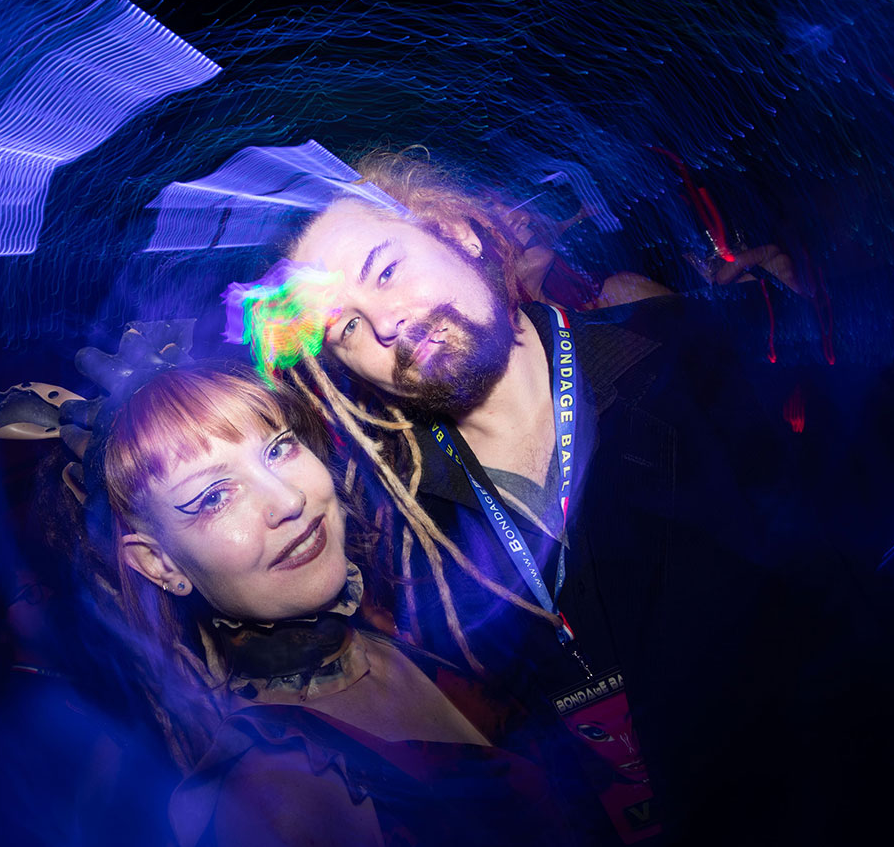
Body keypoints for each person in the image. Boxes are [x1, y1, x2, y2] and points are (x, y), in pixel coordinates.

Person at [227, 149, 894, 845]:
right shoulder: (405, 527)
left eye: (386, 270)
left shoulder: (695, 358)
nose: (386, 325)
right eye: (346, 327)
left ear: (457, 234)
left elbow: (865, 580)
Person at [94, 363, 590, 847]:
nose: (288, 500)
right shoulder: (274, 799)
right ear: (160, 564)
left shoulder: (413, 636)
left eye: (278, 448)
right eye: (214, 498)